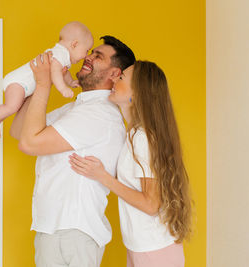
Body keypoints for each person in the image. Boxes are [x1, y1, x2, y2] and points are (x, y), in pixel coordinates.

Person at [10, 35, 136, 267]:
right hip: (55, 228)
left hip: (74, 232)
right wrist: (38, 82)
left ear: (114, 74)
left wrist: (43, 85)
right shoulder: (77, 109)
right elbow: (19, 131)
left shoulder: (100, 114)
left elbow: (29, 144)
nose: (87, 57)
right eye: (91, 53)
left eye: (97, 56)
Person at [69, 60, 193, 267]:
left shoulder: (142, 138)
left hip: (153, 250)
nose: (115, 79)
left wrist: (103, 177)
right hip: (145, 246)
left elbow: (151, 204)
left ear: (137, 94)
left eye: (122, 77)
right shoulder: (135, 135)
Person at [0, 21, 94, 140]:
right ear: (75, 44)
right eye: (86, 50)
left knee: (13, 107)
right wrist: (63, 88)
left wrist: (71, 82)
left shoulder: (63, 57)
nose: (86, 56)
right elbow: (56, 72)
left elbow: (64, 72)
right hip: (19, 82)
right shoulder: (60, 53)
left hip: (24, 86)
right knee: (11, 107)